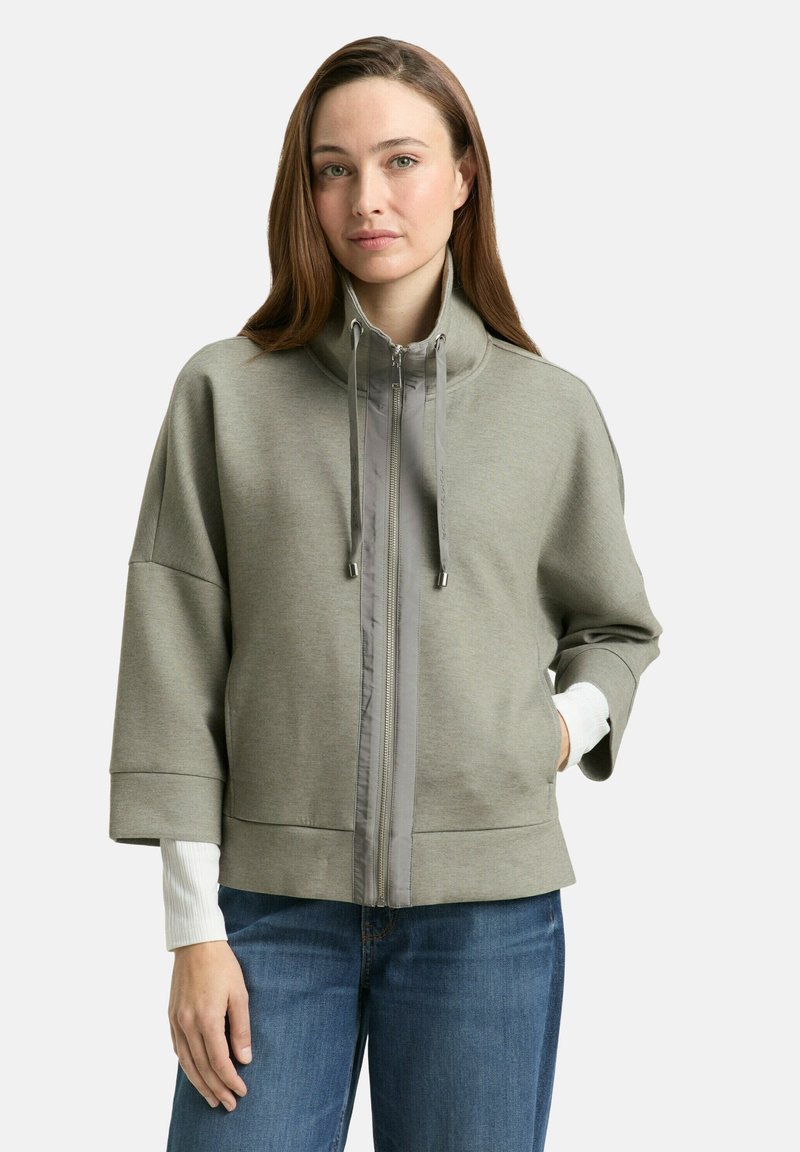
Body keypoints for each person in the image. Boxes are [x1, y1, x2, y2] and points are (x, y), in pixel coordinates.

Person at [108, 34, 663, 1152]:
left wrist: (557, 730)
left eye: (401, 160)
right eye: (334, 168)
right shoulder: (225, 393)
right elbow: (173, 657)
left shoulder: (549, 409)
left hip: (488, 920)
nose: (367, 197)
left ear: (462, 176)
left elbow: (613, 626)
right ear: (304, 190)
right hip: (269, 912)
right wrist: (193, 930)